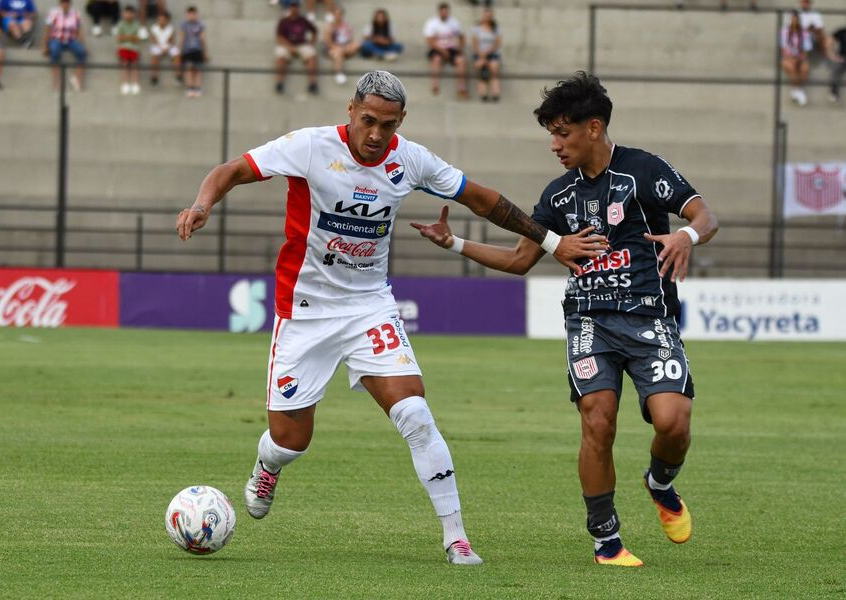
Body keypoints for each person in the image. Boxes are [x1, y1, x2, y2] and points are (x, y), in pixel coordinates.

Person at [175, 70, 607, 566]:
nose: (377, 134)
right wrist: (202, 203)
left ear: (401, 122)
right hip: (306, 311)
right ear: (350, 112)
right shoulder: (310, 147)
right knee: (291, 440)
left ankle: (456, 537)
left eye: (388, 124)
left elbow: (482, 198)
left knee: (415, 414)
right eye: (368, 121)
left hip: (369, 306)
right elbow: (231, 170)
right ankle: (267, 465)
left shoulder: (410, 158)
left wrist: (551, 242)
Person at [412, 71, 719, 567]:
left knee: (673, 421)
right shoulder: (557, 197)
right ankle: (606, 541)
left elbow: (703, 215)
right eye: (551, 133)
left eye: (562, 132)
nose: (554, 144)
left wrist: (688, 237)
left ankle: (660, 481)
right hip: (590, 324)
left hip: (651, 321)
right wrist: (456, 244)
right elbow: (518, 260)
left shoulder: (644, 169)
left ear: (593, 127)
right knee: (598, 420)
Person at [423, 2, 467, 98]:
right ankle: (435, 84)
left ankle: (462, 87)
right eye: (443, 12)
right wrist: (442, 51)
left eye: (446, 12)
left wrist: (460, 47)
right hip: (437, 48)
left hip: (451, 48)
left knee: (461, 61)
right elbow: (430, 41)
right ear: (439, 12)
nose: (444, 14)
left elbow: (462, 36)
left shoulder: (454, 22)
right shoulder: (432, 23)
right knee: (436, 59)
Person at [274, 0, 317, 95]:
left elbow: (314, 31)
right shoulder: (284, 21)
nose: (294, 8)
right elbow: (279, 37)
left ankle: (312, 83)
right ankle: (279, 82)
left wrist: (312, 42)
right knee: (280, 56)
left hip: (301, 45)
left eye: (296, 6)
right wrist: (290, 47)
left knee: (312, 55)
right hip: (287, 45)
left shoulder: (303, 20)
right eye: (293, 6)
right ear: (290, 8)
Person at [43, 0, 86, 91]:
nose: (65, 4)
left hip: (71, 39)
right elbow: (47, 29)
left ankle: (77, 79)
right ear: (60, 3)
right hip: (56, 38)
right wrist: (45, 45)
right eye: (63, 2)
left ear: (70, 3)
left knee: (81, 52)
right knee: (54, 52)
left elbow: (79, 30)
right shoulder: (53, 13)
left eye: (67, 2)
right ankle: (57, 80)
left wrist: (82, 43)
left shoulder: (76, 13)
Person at [323, 5, 358, 85]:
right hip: (332, 49)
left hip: (344, 48)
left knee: (356, 44)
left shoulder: (347, 26)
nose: (338, 16)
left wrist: (348, 46)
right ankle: (338, 73)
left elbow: (350, 40)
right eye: (336, 14)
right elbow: (328, 42)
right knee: (338, 52)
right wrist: (338, 48)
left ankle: (344, 54)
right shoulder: (329, 27)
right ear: (333, 15)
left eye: (339, 14)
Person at [781, 10, 811, 106]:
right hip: (788, 58)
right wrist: (791, 58)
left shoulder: (804, 32)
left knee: (805, 68)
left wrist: (800, 58)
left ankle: (796, 90)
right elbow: (783, 49)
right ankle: (799, 91)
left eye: (796, 20)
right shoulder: (784, 32)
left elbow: (806, 49)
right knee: (791, 67)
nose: (794, 22)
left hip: (800, 58)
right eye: (792, 20)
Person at [471, 6, 500, 102]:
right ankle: (483, 94)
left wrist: (487, 53)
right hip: (480, 54)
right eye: (486, 16)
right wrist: (482, 55)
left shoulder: (495, 29)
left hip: (492, 54)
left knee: (494, 68)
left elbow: (497, 43)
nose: (487, 18)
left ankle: (496, 94)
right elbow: (475, 44)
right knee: (481, 68)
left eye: (489, 16)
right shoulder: (477, 29)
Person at [178, 5, 207, 98]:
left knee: (197, 69)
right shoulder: (184, 25)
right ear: (187, 15)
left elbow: (203, 39)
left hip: (197, 50)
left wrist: (205, 52)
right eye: (190, 14)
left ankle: (197, 87)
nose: (192, 16)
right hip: (187, 50)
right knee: (188, 69)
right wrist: (180, 51)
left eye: (194, 14)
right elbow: (182, 38)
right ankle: (189, 87)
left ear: (197, 14)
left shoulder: (200, 24)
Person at [148, 9, 177, 86]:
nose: (161, 21)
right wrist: (161, 48)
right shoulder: (154, 28)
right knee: (155, 55)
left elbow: (171, 40)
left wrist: (167, 48)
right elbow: (154, 40)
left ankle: (178, 75)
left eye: (163, 20)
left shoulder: (170, 28)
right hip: (157, 46)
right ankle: (154, 76)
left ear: (167, 20)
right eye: (159, 19)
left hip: (167, 46)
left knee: (177, 54)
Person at [116, 3, 139, 94]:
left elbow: (137, 39)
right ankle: (125, 83)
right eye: (127, 13)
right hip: (123, 47)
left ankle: (135, 83)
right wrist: (130, 37)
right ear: (123, 14)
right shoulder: (121, 24)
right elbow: (118, 38)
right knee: (124, 64)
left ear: (134, 14)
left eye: (131, 13)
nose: (129, 15)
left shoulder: (136, 24)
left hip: (134, 48)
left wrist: (125, 37)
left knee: (134, 65)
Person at [828, 25, 845, 103]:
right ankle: (834, 92)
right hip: (842, 57)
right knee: (836, 70)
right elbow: (830, 41)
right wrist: (833, 55)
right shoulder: (842, 31)